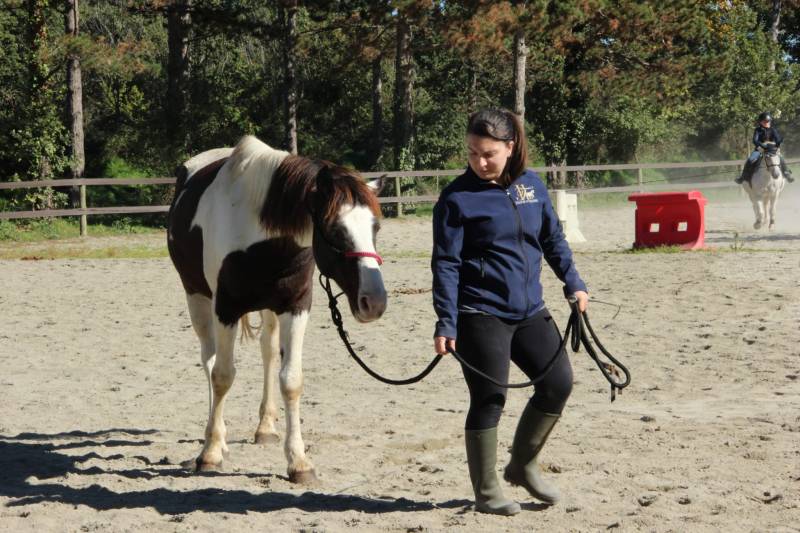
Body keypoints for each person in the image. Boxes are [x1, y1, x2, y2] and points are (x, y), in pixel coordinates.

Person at [431, 108, 589, 516]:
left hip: (530, 309)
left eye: (488, 154)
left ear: (510, 147)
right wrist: (446, 320)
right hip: (479, 312)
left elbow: (553, 239)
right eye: (471, 153)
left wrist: (573, 281)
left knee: (558, 383)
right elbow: (446, 263)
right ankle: (486, 493)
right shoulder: (456, 199)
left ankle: (522, 465)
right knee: (490, 397)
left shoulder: (531, 187)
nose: (479, 162)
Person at [736, 111, 794, 184]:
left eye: (768, 121)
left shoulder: (773, 130)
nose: (767, 122)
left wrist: (778, 142)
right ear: (760, 122)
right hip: (760, 150)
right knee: (750, 159)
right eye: (765, 121)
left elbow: (777, 139)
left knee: (781, 158)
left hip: (772, 150)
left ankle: (786, 173)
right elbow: (755, 140)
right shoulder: (757, 130)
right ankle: (743, 176)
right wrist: (762, 145)